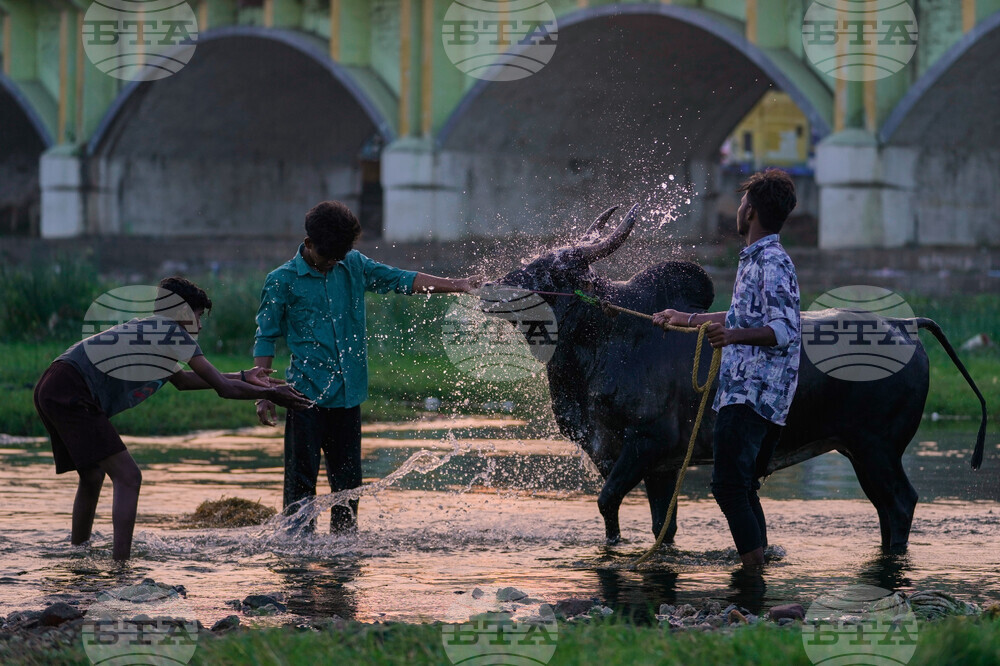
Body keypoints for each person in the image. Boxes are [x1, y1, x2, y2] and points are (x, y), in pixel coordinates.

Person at [33, 277, 313, 561]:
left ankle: (78, 554)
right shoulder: (171, 334)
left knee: (92, 475)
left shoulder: (156, 332)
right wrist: (275, 393)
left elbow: (183, 380)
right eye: (198, 315)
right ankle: (121, 567)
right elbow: (223, 388)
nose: (201, 325)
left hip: (53, 385)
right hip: (71, 390)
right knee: (129, 477)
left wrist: (244, 376)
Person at [253, 201, 481, 533]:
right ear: (309, 244)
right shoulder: (282, 281)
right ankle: (295, 563)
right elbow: (266, 337)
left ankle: (343, 559)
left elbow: (402, 280)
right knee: (299, 486)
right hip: (303, 397)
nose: (333, 264)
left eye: (339, 258)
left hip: (349, 396)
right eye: (328, 258)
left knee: (349, 488)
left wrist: (458, 284)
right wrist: (263, 394)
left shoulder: (353, 264)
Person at [653, 169, 801, 567]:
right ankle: (760, 569)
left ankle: (752, 572)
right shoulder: (756, 260)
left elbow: (785, 330)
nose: (737, 209)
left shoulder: (772, 261)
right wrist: (683, 318)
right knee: (744, 486)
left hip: (754, 394)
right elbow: (738, 316)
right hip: (747, 390)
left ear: (750, 212)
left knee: (728, 486)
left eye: (740, 203)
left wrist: (731, 337)